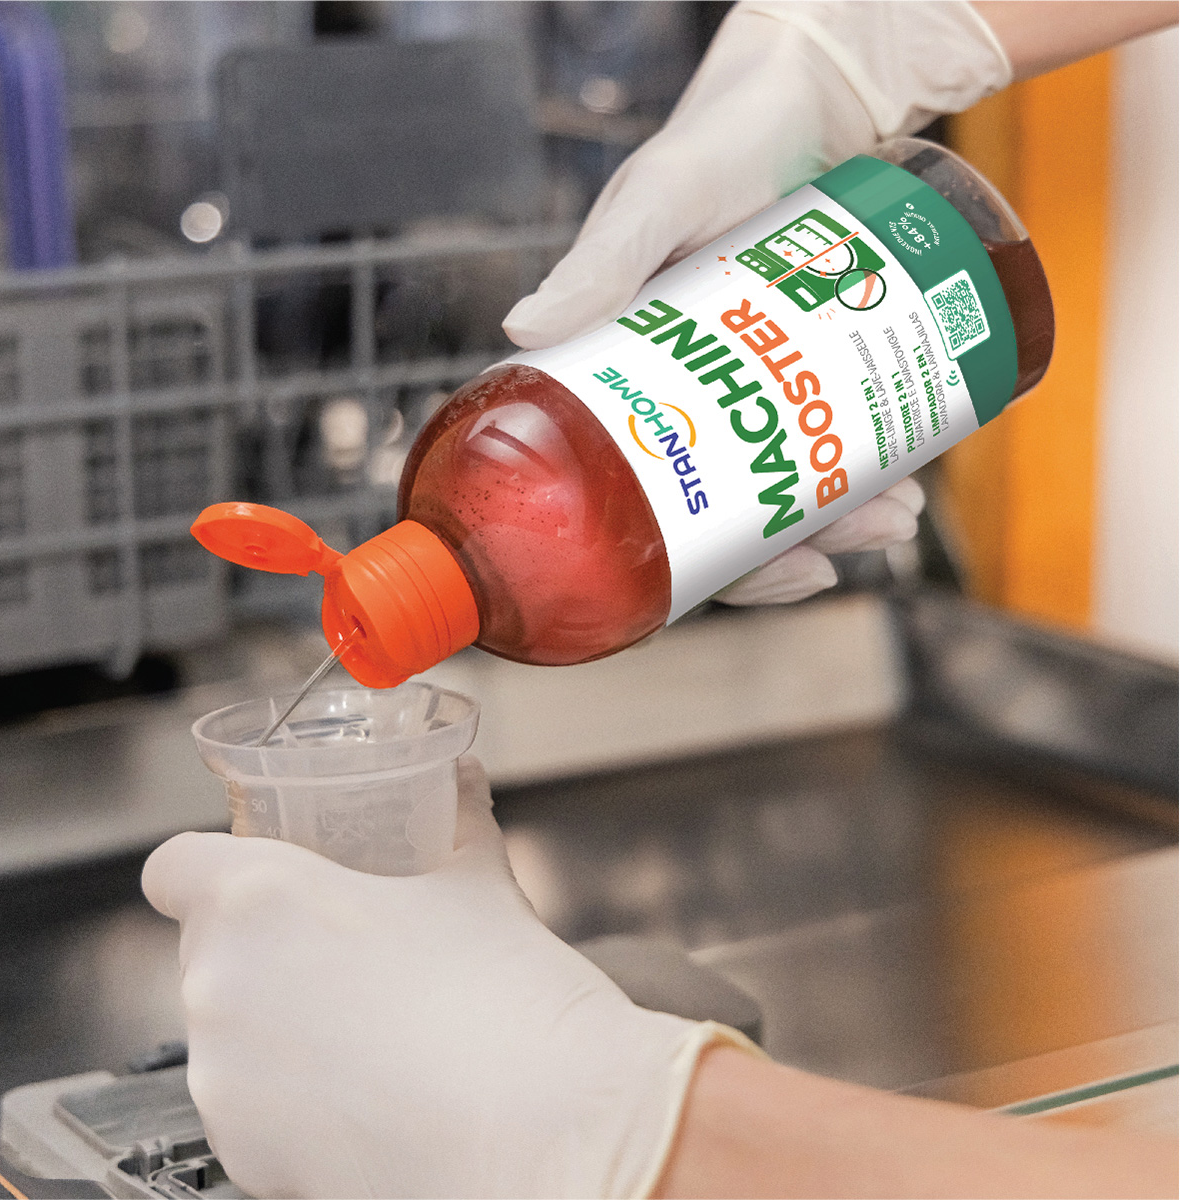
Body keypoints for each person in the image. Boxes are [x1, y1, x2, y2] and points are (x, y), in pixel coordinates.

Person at [144, 4, 1179, 1196]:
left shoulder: (493, 517)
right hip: (908, 267)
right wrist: (860, 38)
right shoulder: (501, 533)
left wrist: (625, 1129)